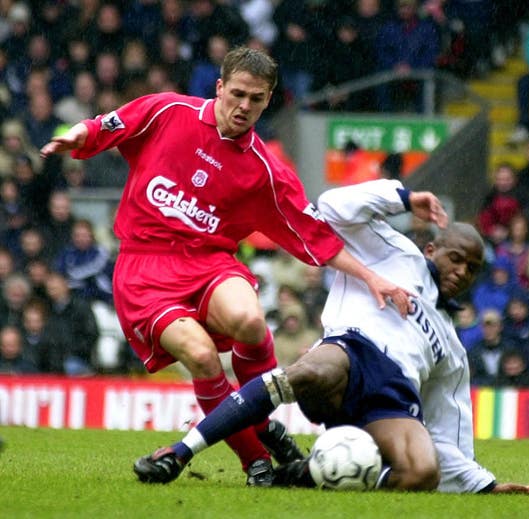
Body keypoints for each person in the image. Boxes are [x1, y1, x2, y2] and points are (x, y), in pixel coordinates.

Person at [39, 46, 412, 486]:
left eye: (256, 99)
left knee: (251, 323)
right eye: (237, 94)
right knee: (200, 356)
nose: (244, 106)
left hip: (209, 261)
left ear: (268, 99)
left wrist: (370, 276)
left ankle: (256, 419)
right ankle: (256, 457)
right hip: (145, 268)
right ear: (219, 87)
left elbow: (314, 237)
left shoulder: (265, 171)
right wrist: (79, 134)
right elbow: (110, 125)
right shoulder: (168, 111)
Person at [133, 179, 529, 495]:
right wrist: (403, 197)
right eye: (456, 259)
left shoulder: (452, 346)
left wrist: (483, 484)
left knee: (421, 472)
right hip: (350, 356)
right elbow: (333, 207)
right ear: (431, 249)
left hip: (393, 401)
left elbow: (450, 427)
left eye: (473, 268)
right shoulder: (395, 252)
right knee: (315, 369)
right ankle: (179, 453)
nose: (462, 271)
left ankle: (303, 474)